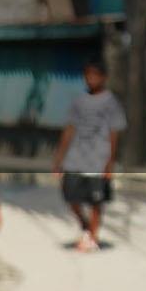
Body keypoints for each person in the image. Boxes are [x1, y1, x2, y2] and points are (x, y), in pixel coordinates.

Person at [52, 58, 126, 253]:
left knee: (96, 200)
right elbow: (69, 128)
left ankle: (93, 236)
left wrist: (110, 162)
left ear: (103, 77)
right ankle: (85, 225)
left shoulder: (111, 102)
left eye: (95, 75)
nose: (91, 79)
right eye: (88, 75)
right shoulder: (79, 101)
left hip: (98, 158)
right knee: (70, 195)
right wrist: (59, 157)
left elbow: (114, 132)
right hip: (76, 157)